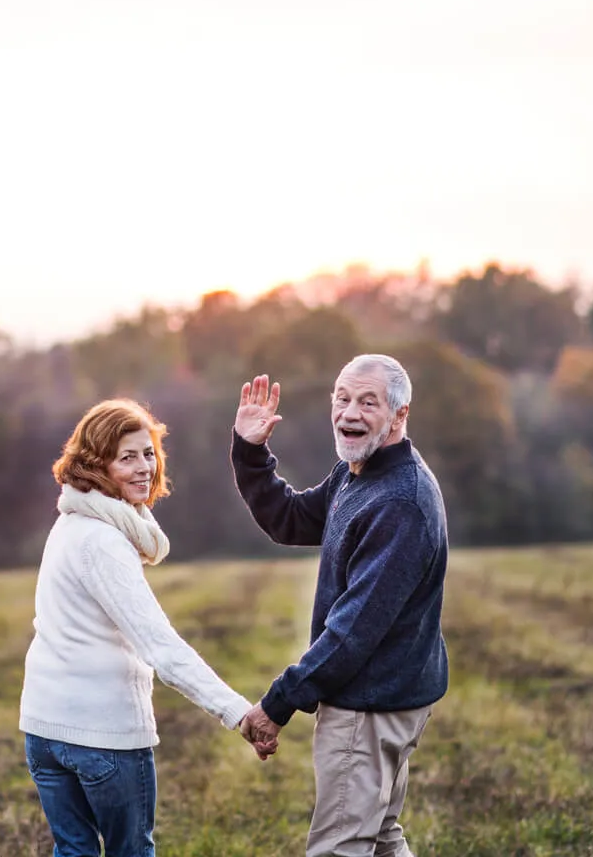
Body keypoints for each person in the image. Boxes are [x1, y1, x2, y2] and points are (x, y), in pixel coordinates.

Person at [19, 398, 273, 857]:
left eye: (149, 453)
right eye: (127, 456)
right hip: (99, 735)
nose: (144, 468)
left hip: (45, 730)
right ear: (96, 464)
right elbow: (161, 648)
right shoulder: (103, 540)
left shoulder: (71, 522)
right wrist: (239, 712)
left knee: (73, 852)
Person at [234, 355, 449, 857]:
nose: (349, 412)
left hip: (371, 707)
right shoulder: (358, 474)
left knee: (340, 848)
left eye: (368, 402)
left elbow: (352, 633)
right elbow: (290, 519)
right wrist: (250, 451)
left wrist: (278, 704)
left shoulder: (399, 502)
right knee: (377, 841)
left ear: (399, 415)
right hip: (385, 697)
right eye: (342, 397)